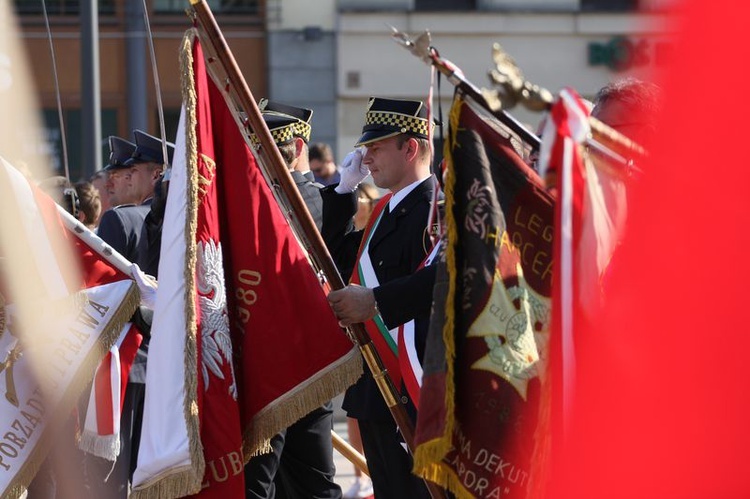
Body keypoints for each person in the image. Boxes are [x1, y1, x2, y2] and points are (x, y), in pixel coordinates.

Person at [322, 97, 438, 499]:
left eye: (376, 148)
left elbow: (443, 283)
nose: (366, 158)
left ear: (410, 148)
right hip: (376, 387)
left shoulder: (436, 210)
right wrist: (341, 192)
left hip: (415, 386)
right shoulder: (385, 209)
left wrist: (374, 300)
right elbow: (333, 257)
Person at [244, 100, 342, 499]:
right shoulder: (309, 195)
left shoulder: (304, 198)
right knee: (306, 482)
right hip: (305, 366)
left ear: (297, 148)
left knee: (265, 483)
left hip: (277, 366)